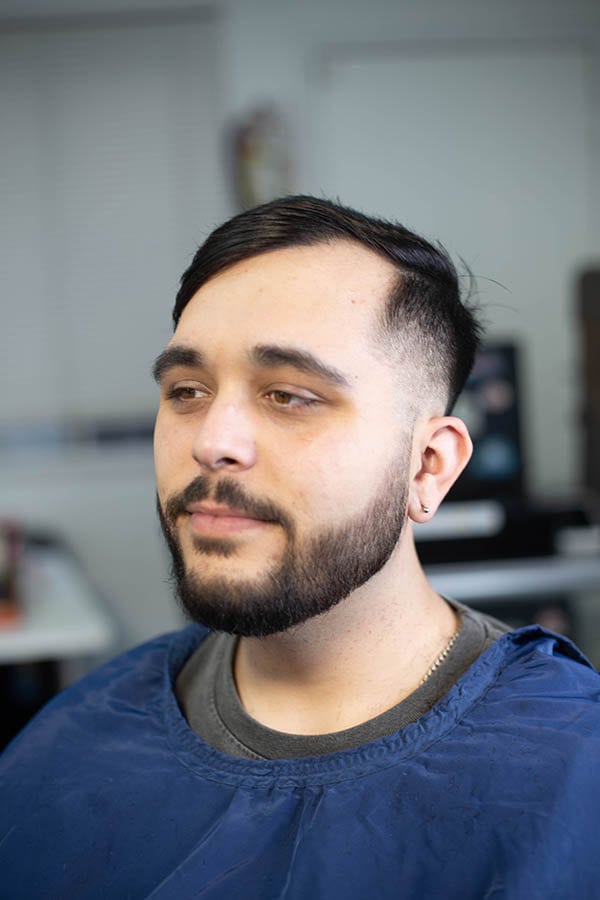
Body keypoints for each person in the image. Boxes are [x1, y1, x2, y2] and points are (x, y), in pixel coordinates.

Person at [1, 197, 599, 899]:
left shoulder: (572, 776)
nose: (210, 442)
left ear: (429, 465)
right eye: (186, 390)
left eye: (289, 395)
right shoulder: (68, 750)